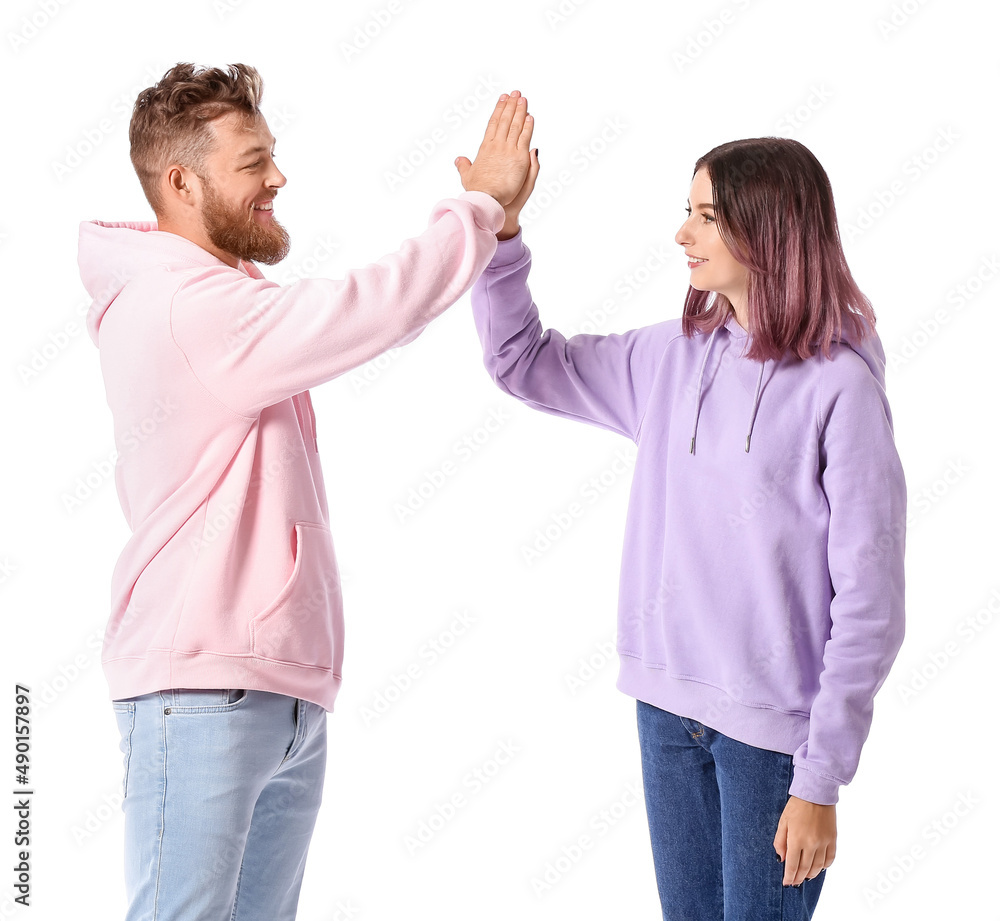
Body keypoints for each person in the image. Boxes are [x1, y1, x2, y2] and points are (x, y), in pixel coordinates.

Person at [78, 62, 534, 920]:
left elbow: (366, 326)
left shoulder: (227, 298)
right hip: (201, 688)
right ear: (181, 181)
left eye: (272, 155)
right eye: (253, 162)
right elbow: (370, 310)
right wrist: (476, 211)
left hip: (276, 693)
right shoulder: (183, 308)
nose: (278, 178)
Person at [462, 132, 906, 920]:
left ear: (765, 229)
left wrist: (820, 778)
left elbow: (870, 601)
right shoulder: (671, 357)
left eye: (705, 216)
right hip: (666, 714)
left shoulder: (842, 388)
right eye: (688, 212)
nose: (682, 235)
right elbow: (521, 361)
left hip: (773, 740)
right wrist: (500, 236)